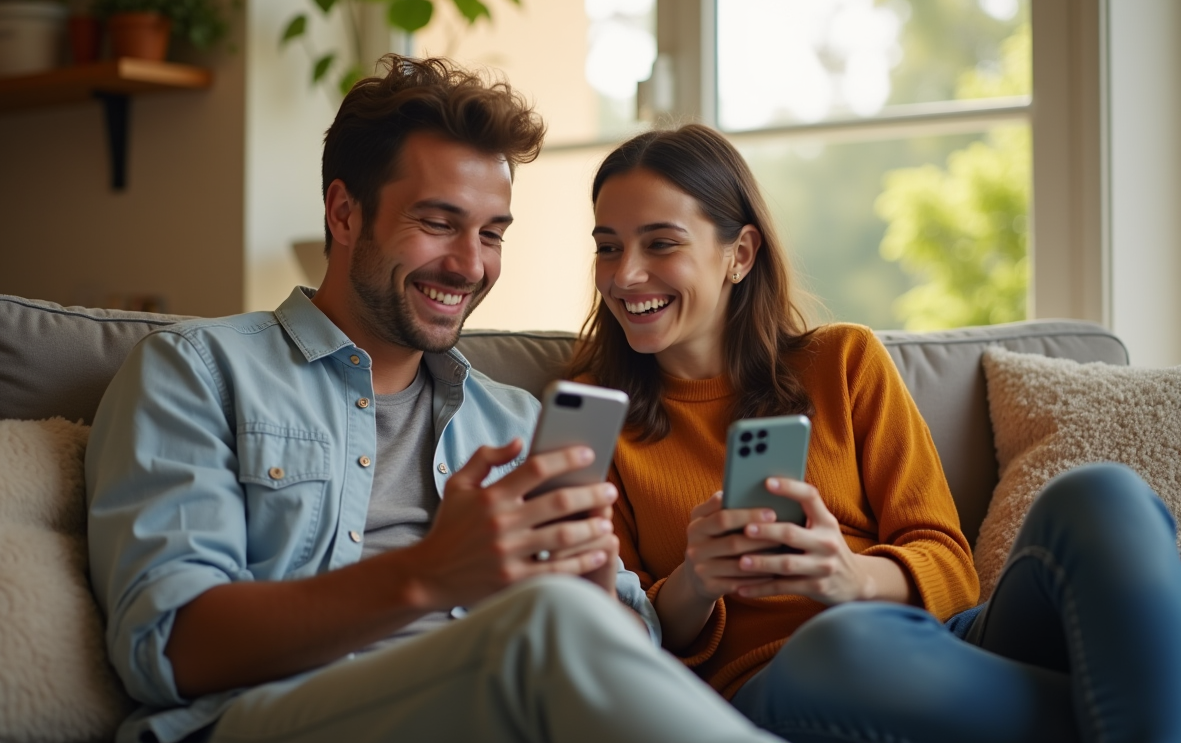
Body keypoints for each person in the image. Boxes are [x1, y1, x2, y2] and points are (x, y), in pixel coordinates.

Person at [85, 58, 781, 743]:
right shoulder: (200, 373)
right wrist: (431, 572)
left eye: (492, 233)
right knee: (542, 629)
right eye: (439, 222)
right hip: (269, 718)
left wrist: (594, 586)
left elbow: (630, 655)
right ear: (343, 213)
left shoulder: (513, 421)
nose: (470, 265)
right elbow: (166, 645)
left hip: (501, 707)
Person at [569, 123, 1181, 743]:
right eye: (609, 247)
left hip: (943, 645)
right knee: (842, 642)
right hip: (777, 682)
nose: (626, 276)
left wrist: (849, 577)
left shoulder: (842, 362)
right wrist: (697, 581)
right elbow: (614, 633)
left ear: (741, 254)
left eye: (661, 244)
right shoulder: (593, 418)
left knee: (1103, 495)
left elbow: (948, 561)